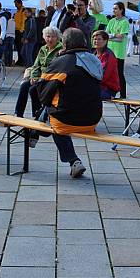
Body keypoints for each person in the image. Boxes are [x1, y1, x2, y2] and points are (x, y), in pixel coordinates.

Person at [37, 28, 103, 178]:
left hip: (68, 120)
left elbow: (43, 94)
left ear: (64, 43)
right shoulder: (95, 60)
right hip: (93, 119)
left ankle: (73, 160)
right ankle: (37, 130)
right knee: (56, 108)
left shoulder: (61, 62)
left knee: (54, 115)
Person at [16, 26, 63, 120]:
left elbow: (57, 68)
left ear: (57, 37)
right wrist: (34, 76)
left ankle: (37, 114)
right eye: (48, 36)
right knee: (24, 86)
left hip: (51, 78)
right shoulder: (43, 49)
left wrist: (41, 78)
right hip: (39, 77)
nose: (50, 39)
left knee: (33, 89)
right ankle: (19, 114)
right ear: (44, 37)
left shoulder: (61, 49)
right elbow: (36, 65)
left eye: (53, 36)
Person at [106, 1, 130, 98]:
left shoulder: (125, 21)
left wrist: (112, 36)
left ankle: (123, 94)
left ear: (121, 10)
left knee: (120, 74)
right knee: (110, 73)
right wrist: (113, 36)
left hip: (119, 52)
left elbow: (121, 37)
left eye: (116, 9)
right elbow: (106, 34)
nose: (114, 11)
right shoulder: (112, 21)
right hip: (110, 50)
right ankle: (111, 92)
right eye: (113, 9)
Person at [93, 30, 121, 100]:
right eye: (95, 39)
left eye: (99, 39)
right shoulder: (94, 54)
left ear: (105, 41)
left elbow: (104, 76)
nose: (96, 41)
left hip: (108, 89)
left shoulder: (108, 55)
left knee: (84, 94)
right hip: (98, 86)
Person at [13, 0, 26, 65]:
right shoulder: (17, 11)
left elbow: (24, 21)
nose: (15, 5)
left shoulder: (23, 11)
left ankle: (22, 60)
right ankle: (19, 60)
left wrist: (22, 31)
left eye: (16, 4)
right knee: (18, 47)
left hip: (20, 31)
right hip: (16, 30)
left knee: (21, 47)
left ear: (20, 3)